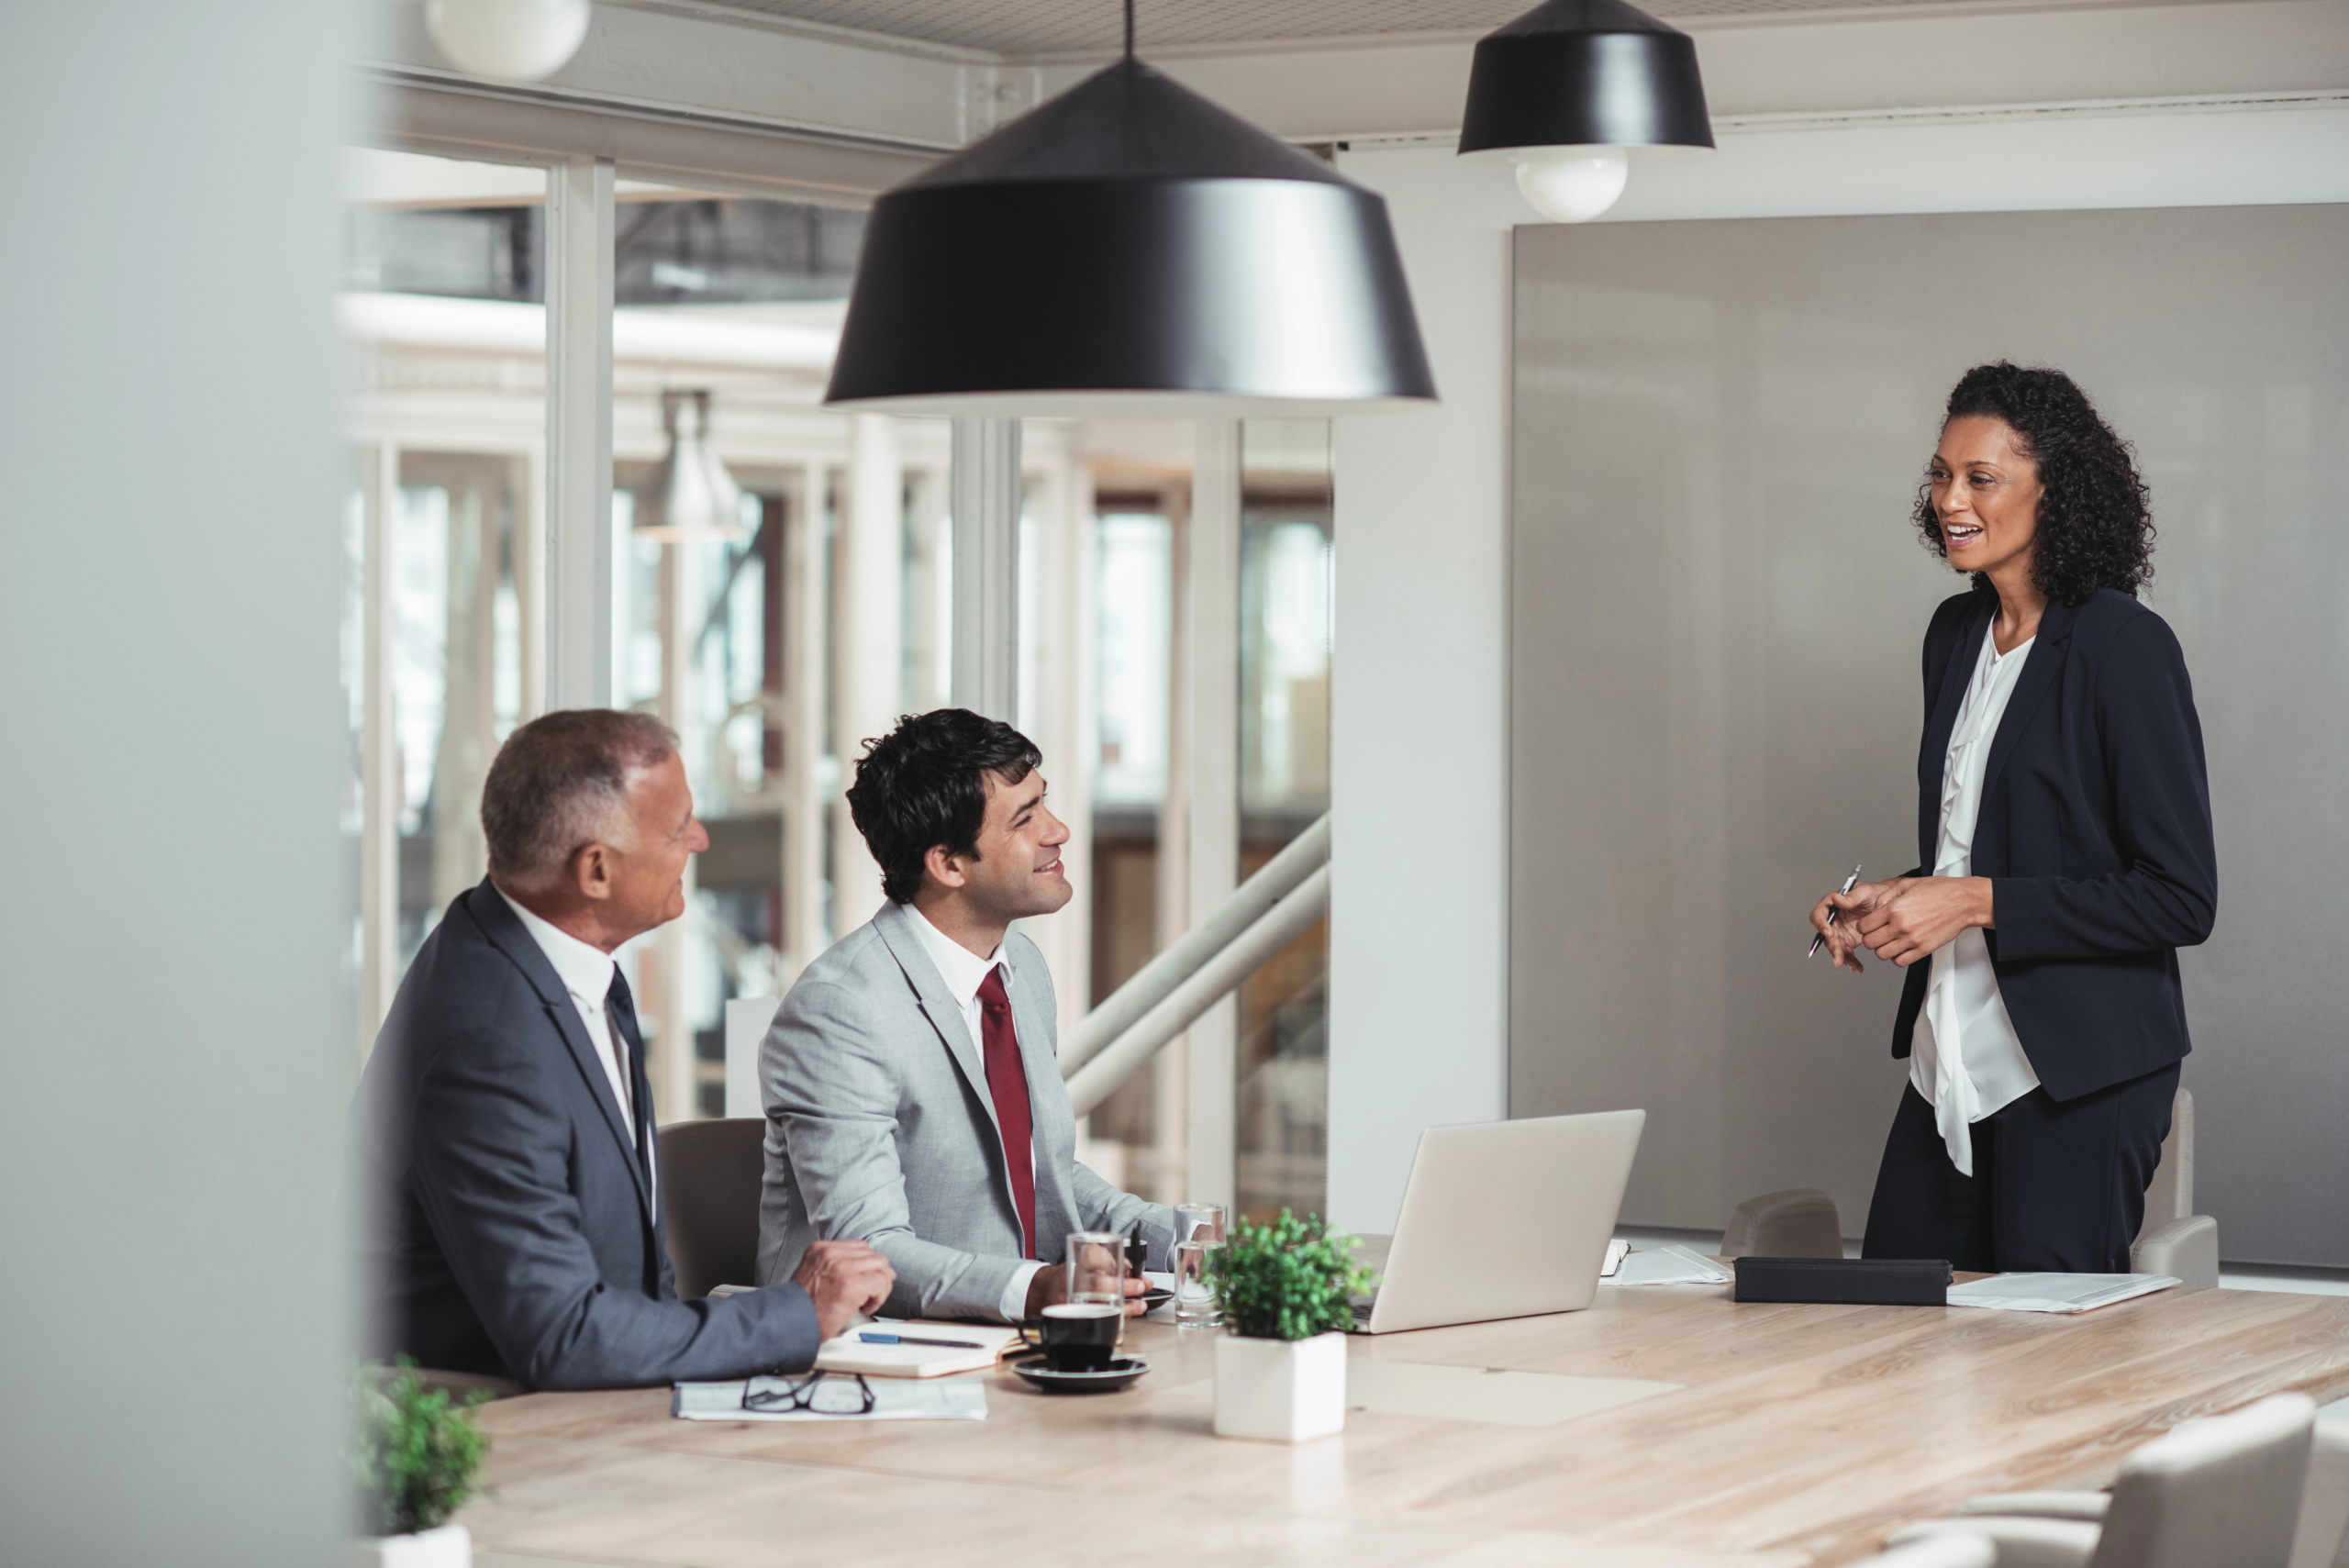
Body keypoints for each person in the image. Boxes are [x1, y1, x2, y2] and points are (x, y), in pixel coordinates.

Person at [1810, 362, 2217, 1273]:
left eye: (1979, 478)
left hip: (2077, 1071)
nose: (1949, 498)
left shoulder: (2124, 647)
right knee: (1888, 1327)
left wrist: (1967, 902)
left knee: (2042, 1361)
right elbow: (1978, 850)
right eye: (1941, 473)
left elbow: (2180, 898)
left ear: (2056, 489)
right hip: (1948, 1054)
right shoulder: (1953, 635)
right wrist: (1895, 895)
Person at [358, 709, 895, 1389]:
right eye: (677, 829)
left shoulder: (553, 955)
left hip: (591, 1401)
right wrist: (795, 1314)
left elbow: (633, 1279)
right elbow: (564, 1336)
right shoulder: (487, 1041)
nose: (699, 840)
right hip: (492, 1423)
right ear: (596, 870)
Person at [757, 708, 1174, 1322]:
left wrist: (1185, 1238)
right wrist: (1035, 1289)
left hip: (1005, 1343)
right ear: (948, 863)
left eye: (1045, 805)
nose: (1058, 831)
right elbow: (866, 1251)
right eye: (1025, 820)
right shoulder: (840, 1009)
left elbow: (1041, 1175)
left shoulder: (1020, 970)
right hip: (881, 1360)